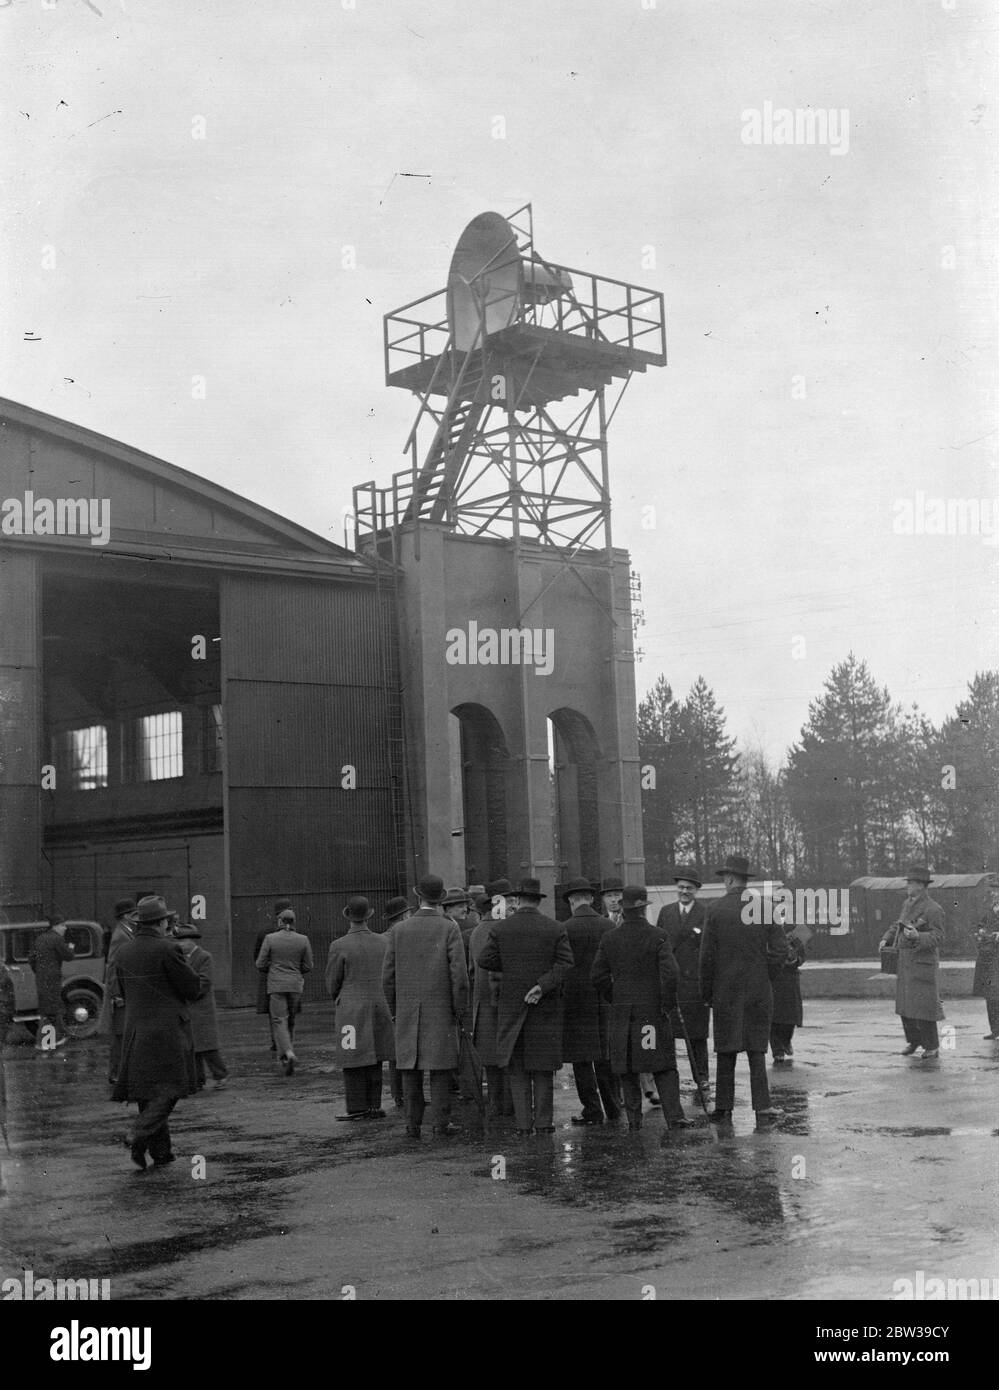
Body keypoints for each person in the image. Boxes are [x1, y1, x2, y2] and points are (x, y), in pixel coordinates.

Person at [590, 884, 692, 1134]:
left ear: (623, 911)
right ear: (644, 909)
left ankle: (634, 1120)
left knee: (627, 1067)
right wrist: (666, 1004)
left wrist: (616, 997)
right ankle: (674, 1117)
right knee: (663, 1065)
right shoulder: (658, 935)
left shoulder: (610, 938)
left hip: (623, 1012)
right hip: (652, 1013)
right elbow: (671, 974)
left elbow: (597, 975)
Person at [476, 877, 574, 1137]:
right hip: (545, 1007)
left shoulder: (501, 929)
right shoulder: (555, 928)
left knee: (517, 1069)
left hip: (512, 1007)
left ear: (517, 900)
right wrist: (542, 985)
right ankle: (543, 1123)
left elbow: (484, 959)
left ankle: (522, 1124)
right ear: (538, 900)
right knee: (542, 1069)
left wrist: (511, 967)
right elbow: (565, 964)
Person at [111, 896, 203, 1170]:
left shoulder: (123, 952)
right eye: (167, 921)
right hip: (167, 1031)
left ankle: (158, 1153)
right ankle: (138, 1133)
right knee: (171, 1089)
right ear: (161, 922)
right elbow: (191, 989)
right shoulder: (168, 949)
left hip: (136, 1031)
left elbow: (125, 991)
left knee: (147, 1091)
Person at [699, 854, 786, 1128]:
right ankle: (763, 1107)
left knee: (726, 1050)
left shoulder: (713, 910)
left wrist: (707, 993)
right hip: (758, 990)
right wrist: (766, 976)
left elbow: (706, 959)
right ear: (745, 880)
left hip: (726, 992)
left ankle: (724, 1109)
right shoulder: (764, 907)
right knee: (756, 1050)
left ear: (727, 879)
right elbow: (780, 951)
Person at [382, 874, 469, 1140]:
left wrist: (395, 1009)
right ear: (440, 899)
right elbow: (460, 977)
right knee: (441, 1069)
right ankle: (441, 1124)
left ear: (418, 897)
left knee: (409, 1068)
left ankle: (412, 1125)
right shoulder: (449, 928)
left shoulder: (398, 931)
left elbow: (387, 976)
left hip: (407, 1010)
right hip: (441, 1010)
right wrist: (459, 1010)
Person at [325, 895, 395, 1121]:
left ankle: (356, 1107)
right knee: (376, 1055)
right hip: (379, 1005)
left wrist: (341, 997)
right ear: (369, 914)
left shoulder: (338, 945)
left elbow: (332, 982)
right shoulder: (384, 942)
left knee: (352, 1057)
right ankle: (374, 1105)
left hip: (351, 1010)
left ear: (348, 915)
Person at [560, 877, 621, 1126]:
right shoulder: (608, 926)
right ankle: (614, 1107)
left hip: (575, 1003)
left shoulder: (564, 928)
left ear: (571, 902)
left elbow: (562, 966)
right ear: (592, 899)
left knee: (581, 1059)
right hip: (604, 998)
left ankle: (592, 1110)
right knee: (605, 1056)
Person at [879, 864, 945, 1059]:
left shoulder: (934, 909)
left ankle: (931, 1046)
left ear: (922, 886)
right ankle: (914, 1041)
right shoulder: (907, 904)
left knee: (924, 1007)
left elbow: (939, 936)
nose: (908, 886)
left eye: (911, 883)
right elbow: (897, 925)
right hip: (905, 962)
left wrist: (918, 936)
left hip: (922, 964)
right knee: (906, 1007)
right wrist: (886, 938)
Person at [656, 867, 711, 1099]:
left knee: (696, 1035)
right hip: (671, 982)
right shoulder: (666, 912)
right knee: (668, 1034)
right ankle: (670, 1079)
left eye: (689, 888)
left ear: (696, 890)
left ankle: (702, 1078)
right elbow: (659, 945)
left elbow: (708, 950)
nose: (684, 891)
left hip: (694, 984)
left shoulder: (705, 913)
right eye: (680, 887)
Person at [468, 878, 516, 1121]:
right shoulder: (507, 929)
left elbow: (471, 971)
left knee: (491, 1063)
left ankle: (497, 1109)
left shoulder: (477, 931)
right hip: (506, 1004)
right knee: (510, 1061)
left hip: (483, 1007)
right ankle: (511, 1109)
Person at [256, 906, 313, 1076]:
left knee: (279, 1020)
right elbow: (309, 965)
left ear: (279, 921)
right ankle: (286, 1054)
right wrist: (295, 971)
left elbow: (260, 963)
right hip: (295, 985)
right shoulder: (303, 939)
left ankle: (287, 1053)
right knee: (291, 1020)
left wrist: (273, 969)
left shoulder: (270, 938)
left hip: (276, 985)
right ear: (294, 922)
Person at [171, 921, 228, 1089]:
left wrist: (186, 992)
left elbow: (205, 981)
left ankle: (221, 1075)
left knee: (208, 1047)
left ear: (193, 941)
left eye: (183, 940)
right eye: (178, 941)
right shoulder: (180, 958)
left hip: (201, 1008)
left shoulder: (204, 957)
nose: (180, 944)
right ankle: (197, 1080)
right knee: (192, 1047)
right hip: (188, 1007)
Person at [99, 898, 136, 1084]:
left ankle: (119, 1073)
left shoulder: (125, 932)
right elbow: (113, 966)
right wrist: (116, 994)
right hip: (120, 994)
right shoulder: (121, 935)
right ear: (127, 916)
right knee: (120, 1036)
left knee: (123, 1035)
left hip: (122, 991)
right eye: (134, 914)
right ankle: (116, 1074)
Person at [378, 897, 410, 1108]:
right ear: (404, 915)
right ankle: (407, 1094)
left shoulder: (381, 938)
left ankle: (398, 1094)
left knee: (395, 1049)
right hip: (406, 995)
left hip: (387, 996)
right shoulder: (407, 934)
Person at [27, 919, 74, 1050]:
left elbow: (31, 959)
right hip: (52, 979)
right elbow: (68, 956)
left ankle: (53, 1040)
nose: (65, 928)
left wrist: (40, 972)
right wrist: (71, 947)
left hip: (41, 979)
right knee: (50, 1011)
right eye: (63, 925)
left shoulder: (40, 939)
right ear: (56, 926)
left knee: (48, 1009)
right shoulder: (57, 939)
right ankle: (44, 1042)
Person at [254, 900, 292, 1054]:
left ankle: (276, 1041)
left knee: (274, 1012)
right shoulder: (295, 933)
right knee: (289, 1009)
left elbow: (257, 957)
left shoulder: (265, 932)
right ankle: (287, 1041)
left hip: (270, 976)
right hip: (290, 976)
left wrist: (267, 969)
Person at [769, 911, 806, 1063]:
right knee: (773, 1017)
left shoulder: (796, 932)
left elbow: (802, 955)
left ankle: (786, 1040)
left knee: (790, 1016)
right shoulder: (767, 931)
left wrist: (796, 960)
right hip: (774, 978)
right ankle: (777, 1050)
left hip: (790, 979)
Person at [973, 888, 999, 1040]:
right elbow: (980, 924)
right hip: (989, 957)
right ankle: (995, 1029)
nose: (994, 894)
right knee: (991, 994)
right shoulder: (990, 910)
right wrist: (981, 931)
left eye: (997, 891)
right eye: (993, 892)